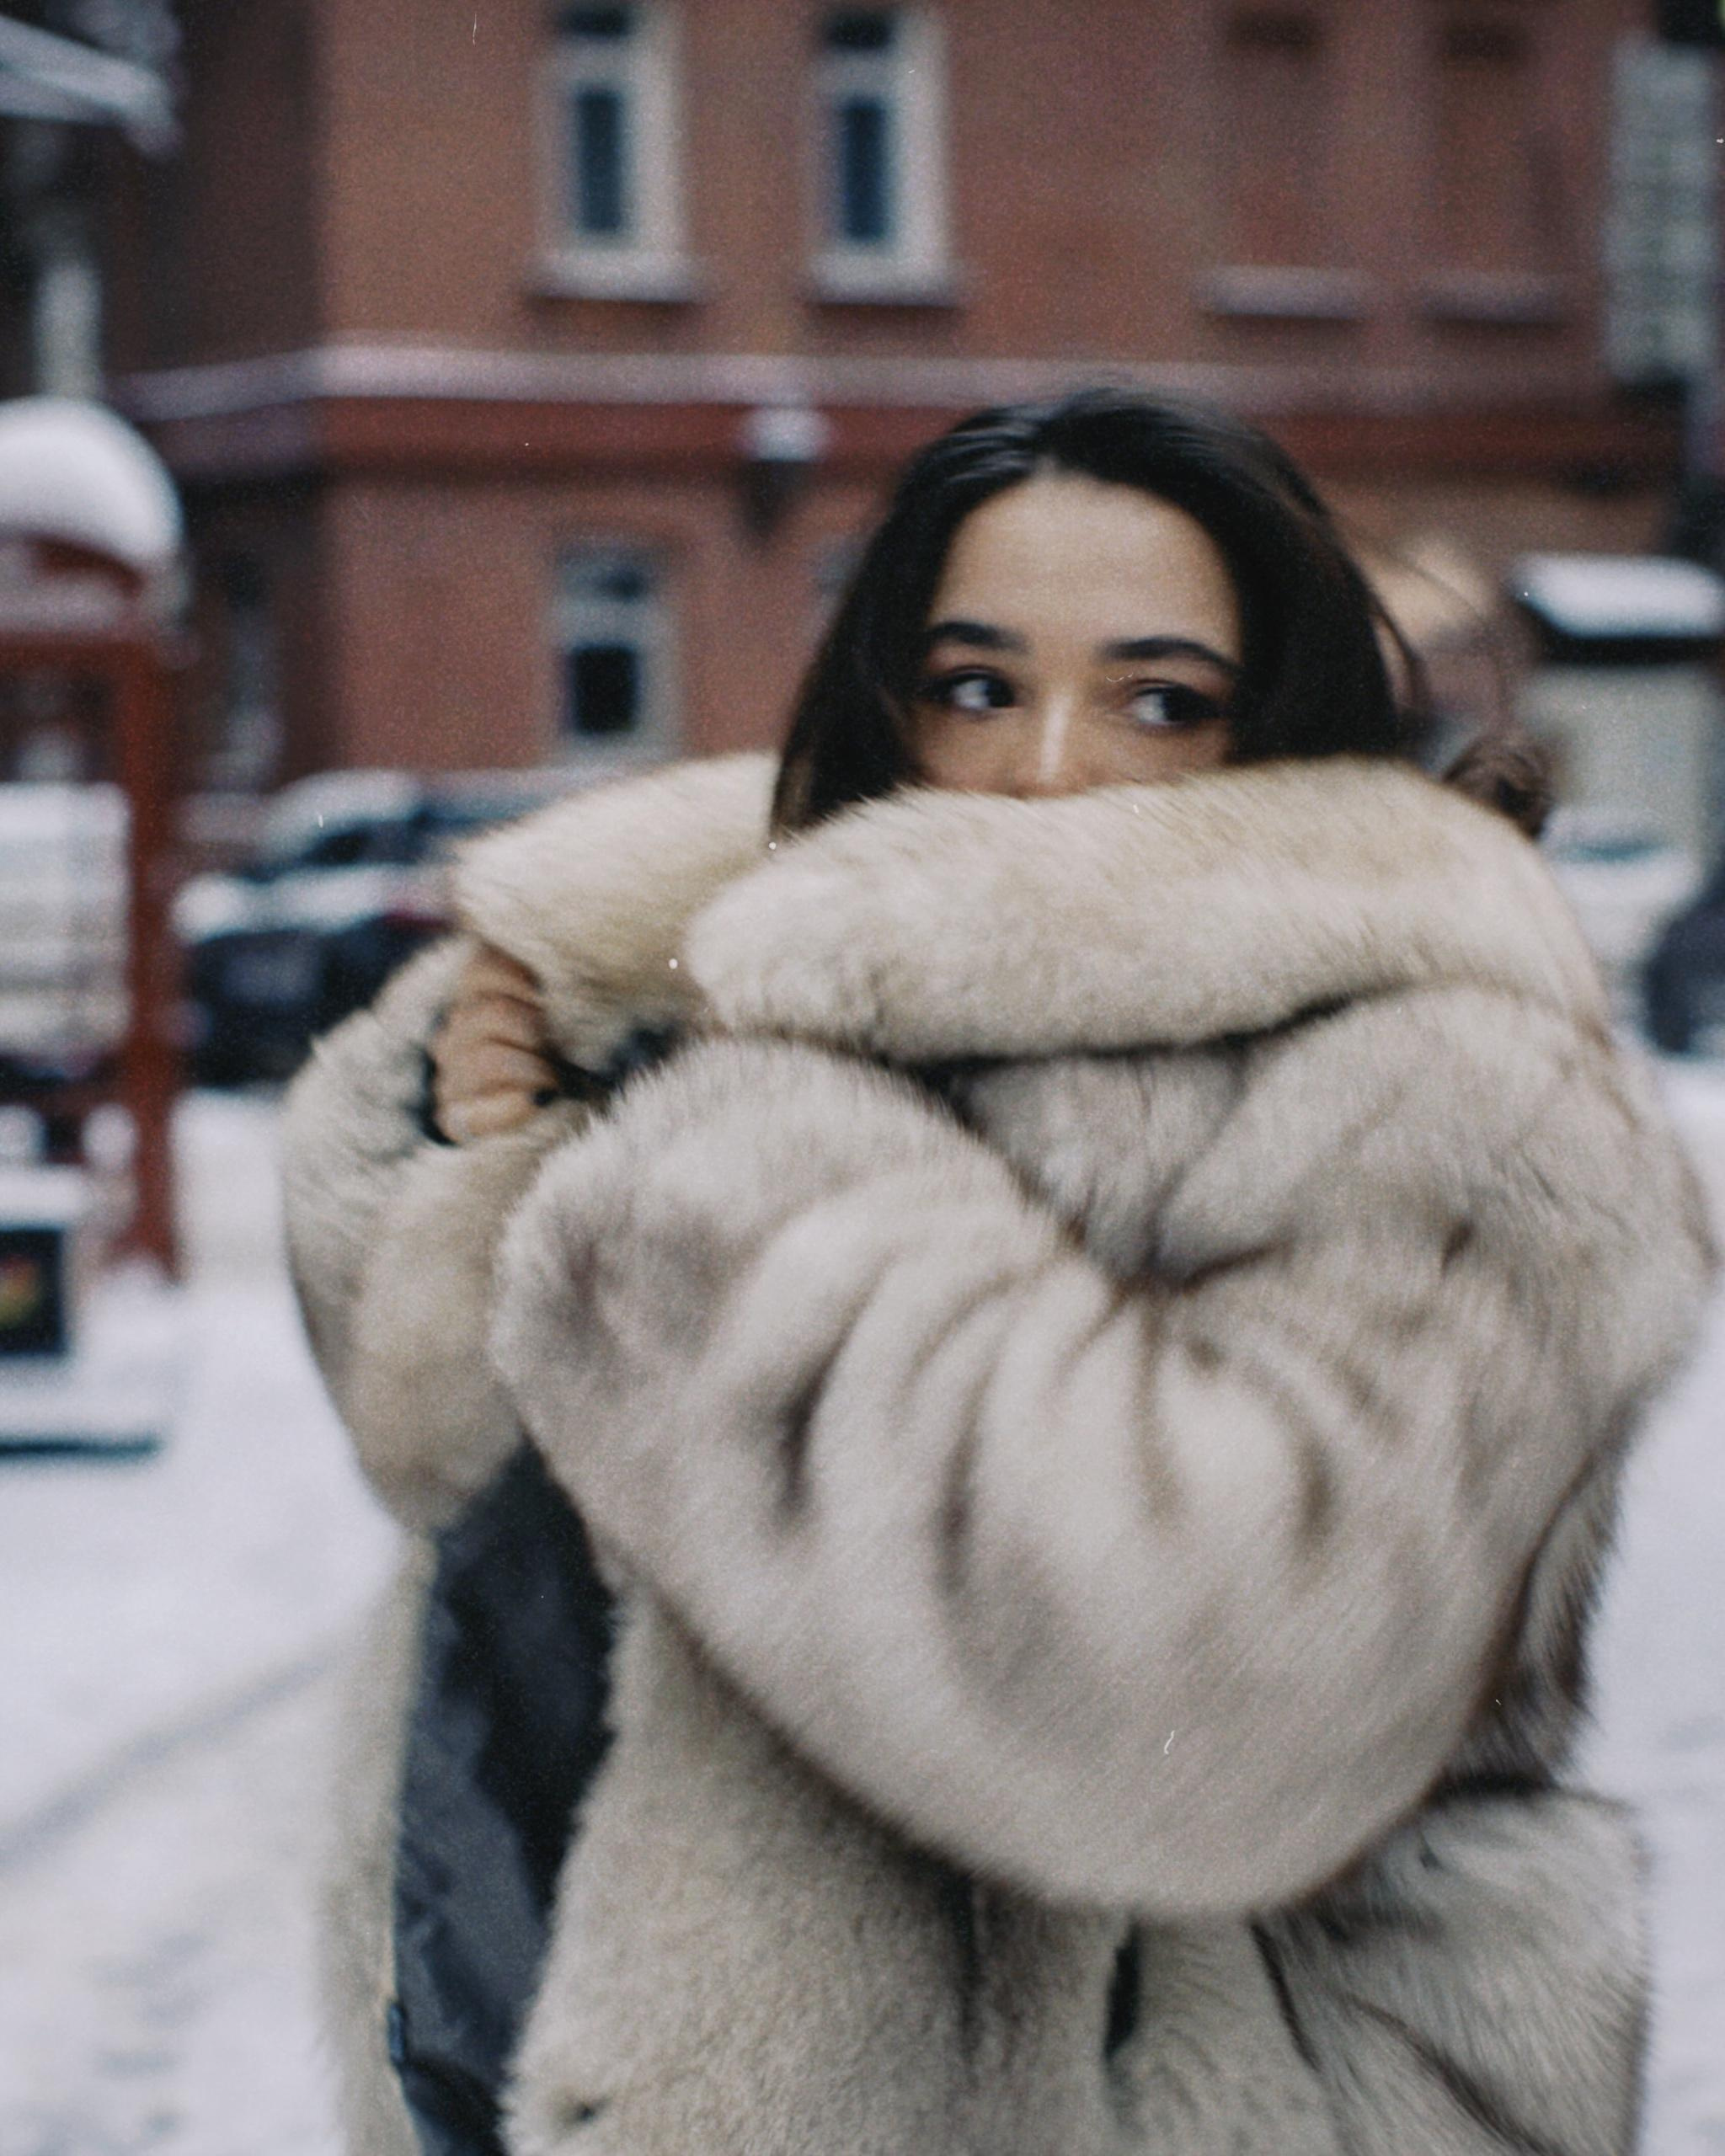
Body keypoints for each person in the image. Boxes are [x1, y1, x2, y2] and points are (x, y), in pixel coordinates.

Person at [283, 391, 1713, 2156]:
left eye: (1159, 698)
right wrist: (494, 1134)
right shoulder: (769, 1021)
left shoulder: (1451, 1104)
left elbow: (1186, 1683)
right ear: (885, 712)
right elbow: (445, 1452)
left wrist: (728, 1168)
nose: (1047, 765)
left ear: (1283, 732)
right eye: (975, 685)